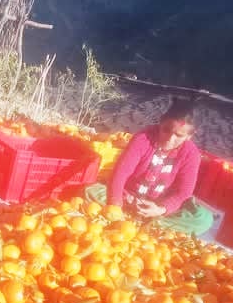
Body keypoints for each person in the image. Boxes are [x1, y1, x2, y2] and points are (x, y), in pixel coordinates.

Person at [88, 96, 214, 235]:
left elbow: (184, 191)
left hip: (159, 206)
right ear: (160, 123)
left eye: (178, 136)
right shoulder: (143, 138)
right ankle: (136, 219)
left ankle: (153, 224)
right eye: (166, 130)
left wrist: (160, 209)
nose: (170, 139)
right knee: (90, 190)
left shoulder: (191, 154)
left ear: (189, 136)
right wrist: (116, 204)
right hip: (128, 197)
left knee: (203, 218)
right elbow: (120, 173)